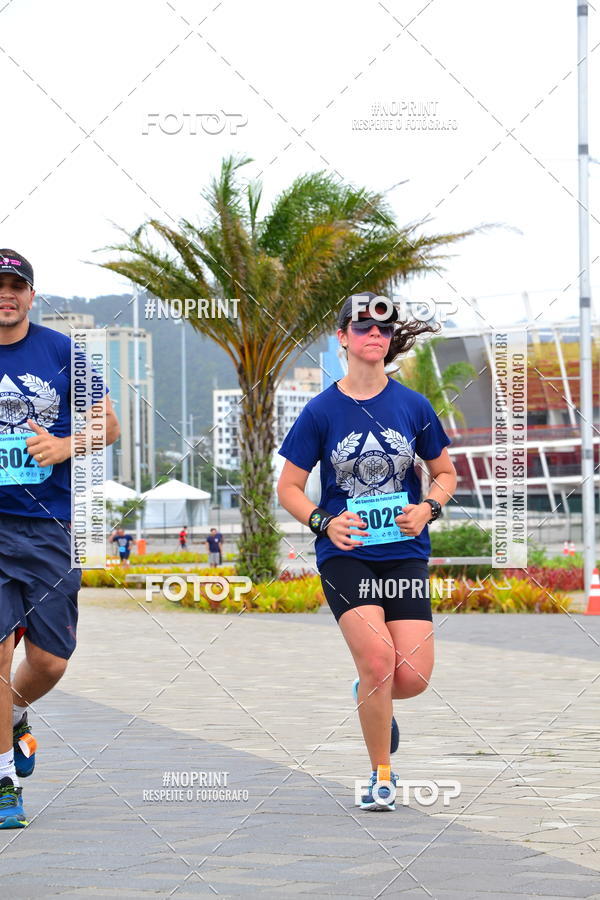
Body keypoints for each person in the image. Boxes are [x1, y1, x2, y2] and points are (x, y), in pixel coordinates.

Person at [277, 292, 457, 811]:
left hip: (403, 553)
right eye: (361, 328)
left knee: (412, 677)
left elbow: (444, 474)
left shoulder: (413, 405)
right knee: (380, 660)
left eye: (382, 328)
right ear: (342, 338)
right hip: (347, 554)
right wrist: (323, 522)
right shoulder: (321, 410)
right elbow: (289, 487)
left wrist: (428, 508)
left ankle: (368, 691)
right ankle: (382, 773)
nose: (373, 335)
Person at [0, 250, 120, 828]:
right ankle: (3, 783)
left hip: (52, 525)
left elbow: (109, 424)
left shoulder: (61, 353)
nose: (6, 295)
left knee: (48, 662)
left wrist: (67, 445)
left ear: (30, 293)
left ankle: (15, 713)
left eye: (15, 286)